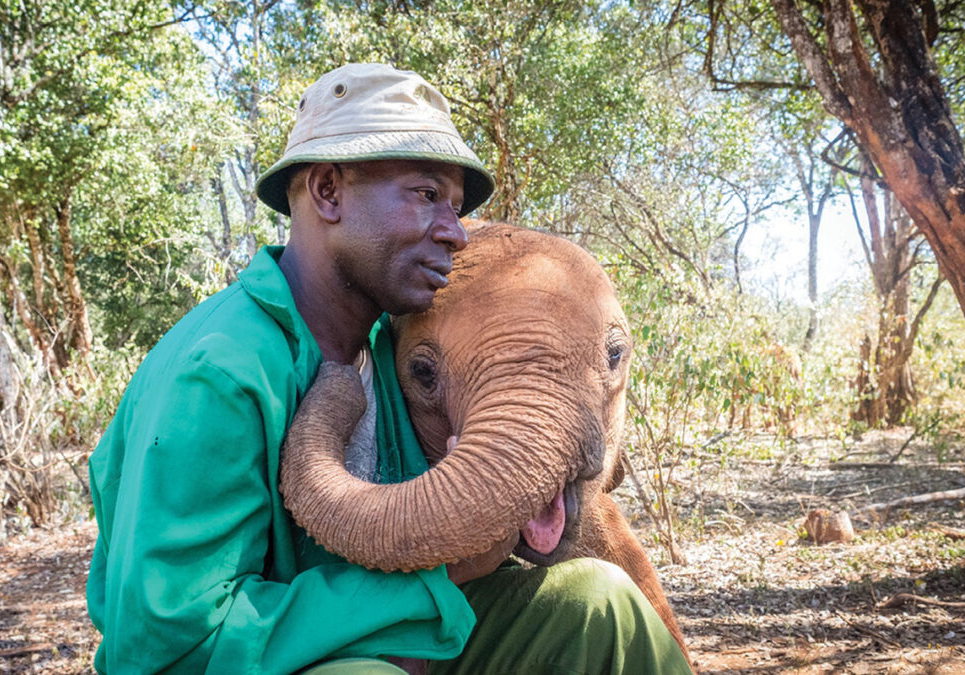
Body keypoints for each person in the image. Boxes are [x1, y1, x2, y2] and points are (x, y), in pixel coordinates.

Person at [86, 63, 691, 674]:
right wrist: (438, 575)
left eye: (456, 207)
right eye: (428, 195)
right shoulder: (218, 372)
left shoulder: (388, 344)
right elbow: (172, 645)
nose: (456, 232)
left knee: (600, 605)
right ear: (327, 191)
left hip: (400, 639)